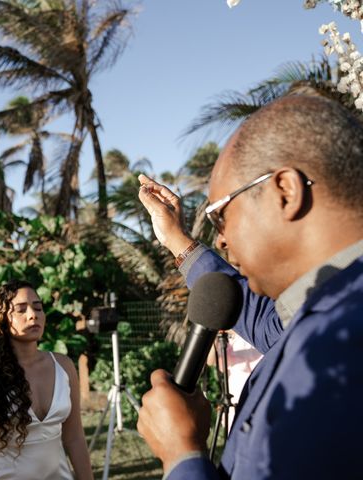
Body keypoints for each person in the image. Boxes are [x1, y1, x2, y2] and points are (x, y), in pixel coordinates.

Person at [136, 93, 363, 479]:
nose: (220, 240)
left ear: (285, 192)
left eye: (219, 216)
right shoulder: (323, 315)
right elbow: (262, 320)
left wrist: (182, 457)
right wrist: (177, 240)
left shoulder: (340, 347)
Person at [0, 280, 93, 480]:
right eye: (21, 310)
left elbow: (75, 438)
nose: (33, 315)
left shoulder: (64, 367)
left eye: (38, 307)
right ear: (3, 320)